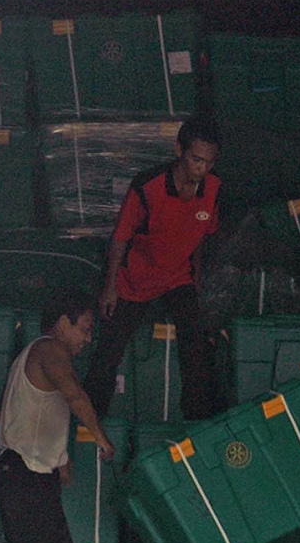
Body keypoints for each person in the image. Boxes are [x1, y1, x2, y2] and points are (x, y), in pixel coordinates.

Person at [0, 293, 116, 543]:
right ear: (62, 322)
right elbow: (74, 396)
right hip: (24, 480)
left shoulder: (32, 357)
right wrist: (100, 438)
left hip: (28, 478)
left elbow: (37, 412)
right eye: (84, 328)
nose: (87, 339)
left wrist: (60, 459)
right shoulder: (50, 349)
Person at [83, 116, 222, 422]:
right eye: (196, 159)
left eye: (209, 162)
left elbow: (201, 233)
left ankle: (196, 421)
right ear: (178, 151)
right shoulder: (147, 187)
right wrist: (110, 288)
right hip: (136, 279)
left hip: (178, 277)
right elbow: (120, 238)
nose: (202, 168)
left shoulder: (213, 188)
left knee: (196, 346)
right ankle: (90, 425)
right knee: (109, 351)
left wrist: (195, 275)